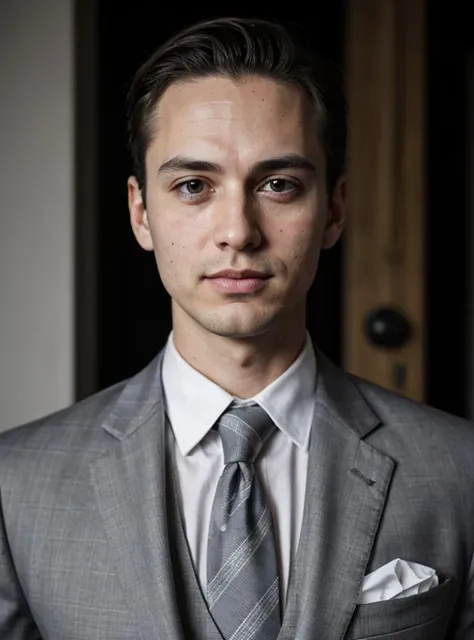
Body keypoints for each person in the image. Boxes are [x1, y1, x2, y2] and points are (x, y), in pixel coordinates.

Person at [0, 15, 473, 640]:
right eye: (194, 185)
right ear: (142, 213)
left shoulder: (460, 469)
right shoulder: (14, 485)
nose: (239, 232)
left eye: (278, 185)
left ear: (332, 210)